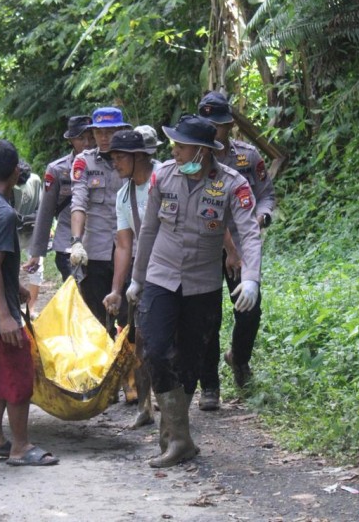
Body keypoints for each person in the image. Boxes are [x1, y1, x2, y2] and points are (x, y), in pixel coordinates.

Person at [127, 115, 262, 468]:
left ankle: (177, 439)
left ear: (201, 153)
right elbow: (148, 230)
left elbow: (248, 232)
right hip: (161, 275)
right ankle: (178, 438)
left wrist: (251, 278)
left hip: (202, 284)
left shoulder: (233, 184)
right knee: (155, 349)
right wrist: (137, 279)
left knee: (191, 359)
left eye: (181, 146)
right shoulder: (163, 175)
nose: (174, 151)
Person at [0, 139, 59, 466]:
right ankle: (20, 447)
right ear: (17, 170)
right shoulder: (3, 213)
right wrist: (5, 316)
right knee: (18, 377)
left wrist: (14, 286)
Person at [197, 91, 278, 409]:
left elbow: (267, 194)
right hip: (206, 247)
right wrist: (228, 246)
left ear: (229, 125)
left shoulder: (249, 157)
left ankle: (238, 358)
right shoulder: (194, 161)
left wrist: (262, 215)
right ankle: (209, 387)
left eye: (216, 126)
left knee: (250, 310)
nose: (211, 132)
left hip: (243, 248)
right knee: (206, 317)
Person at [101, 126, 161, 426]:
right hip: (145, 271)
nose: (115, 163)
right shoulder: (124, 195)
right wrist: (116, 288)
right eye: (112, 157)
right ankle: (145, 407)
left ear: (139, 156)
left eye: (120, 157)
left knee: (171, 342)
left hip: (177, 268)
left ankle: (173, 402)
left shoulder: (165, 179)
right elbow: (124, 244)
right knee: (139, 337)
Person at [69, 107, 131, 332]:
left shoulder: (133, 160)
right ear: (92, 134)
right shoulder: (83, 162)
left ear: (121, 130)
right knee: (96, 319)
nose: (104, 138)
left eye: (110, 131)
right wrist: (76, 240)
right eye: (99, 133)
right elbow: (79, 202)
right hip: (95, 251)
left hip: (129, 249)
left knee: (129, 318)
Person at [24, 116, 95, 283]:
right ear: (71, 140)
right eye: (80, 138)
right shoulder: (57, 169)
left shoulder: (106, 165)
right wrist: (37, 252)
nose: (87, 143)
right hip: (67, 244)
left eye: (91, 137)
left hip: (97, 243)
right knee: (76, 294)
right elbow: (45, 211)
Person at [12, 160, 43, 311]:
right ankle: (20, 308)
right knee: (12, 267)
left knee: (36, 268)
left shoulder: (34, 180)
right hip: (18, 232)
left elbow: (42, 208)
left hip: (30, 231)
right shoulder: (9, 185)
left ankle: (30, 309)